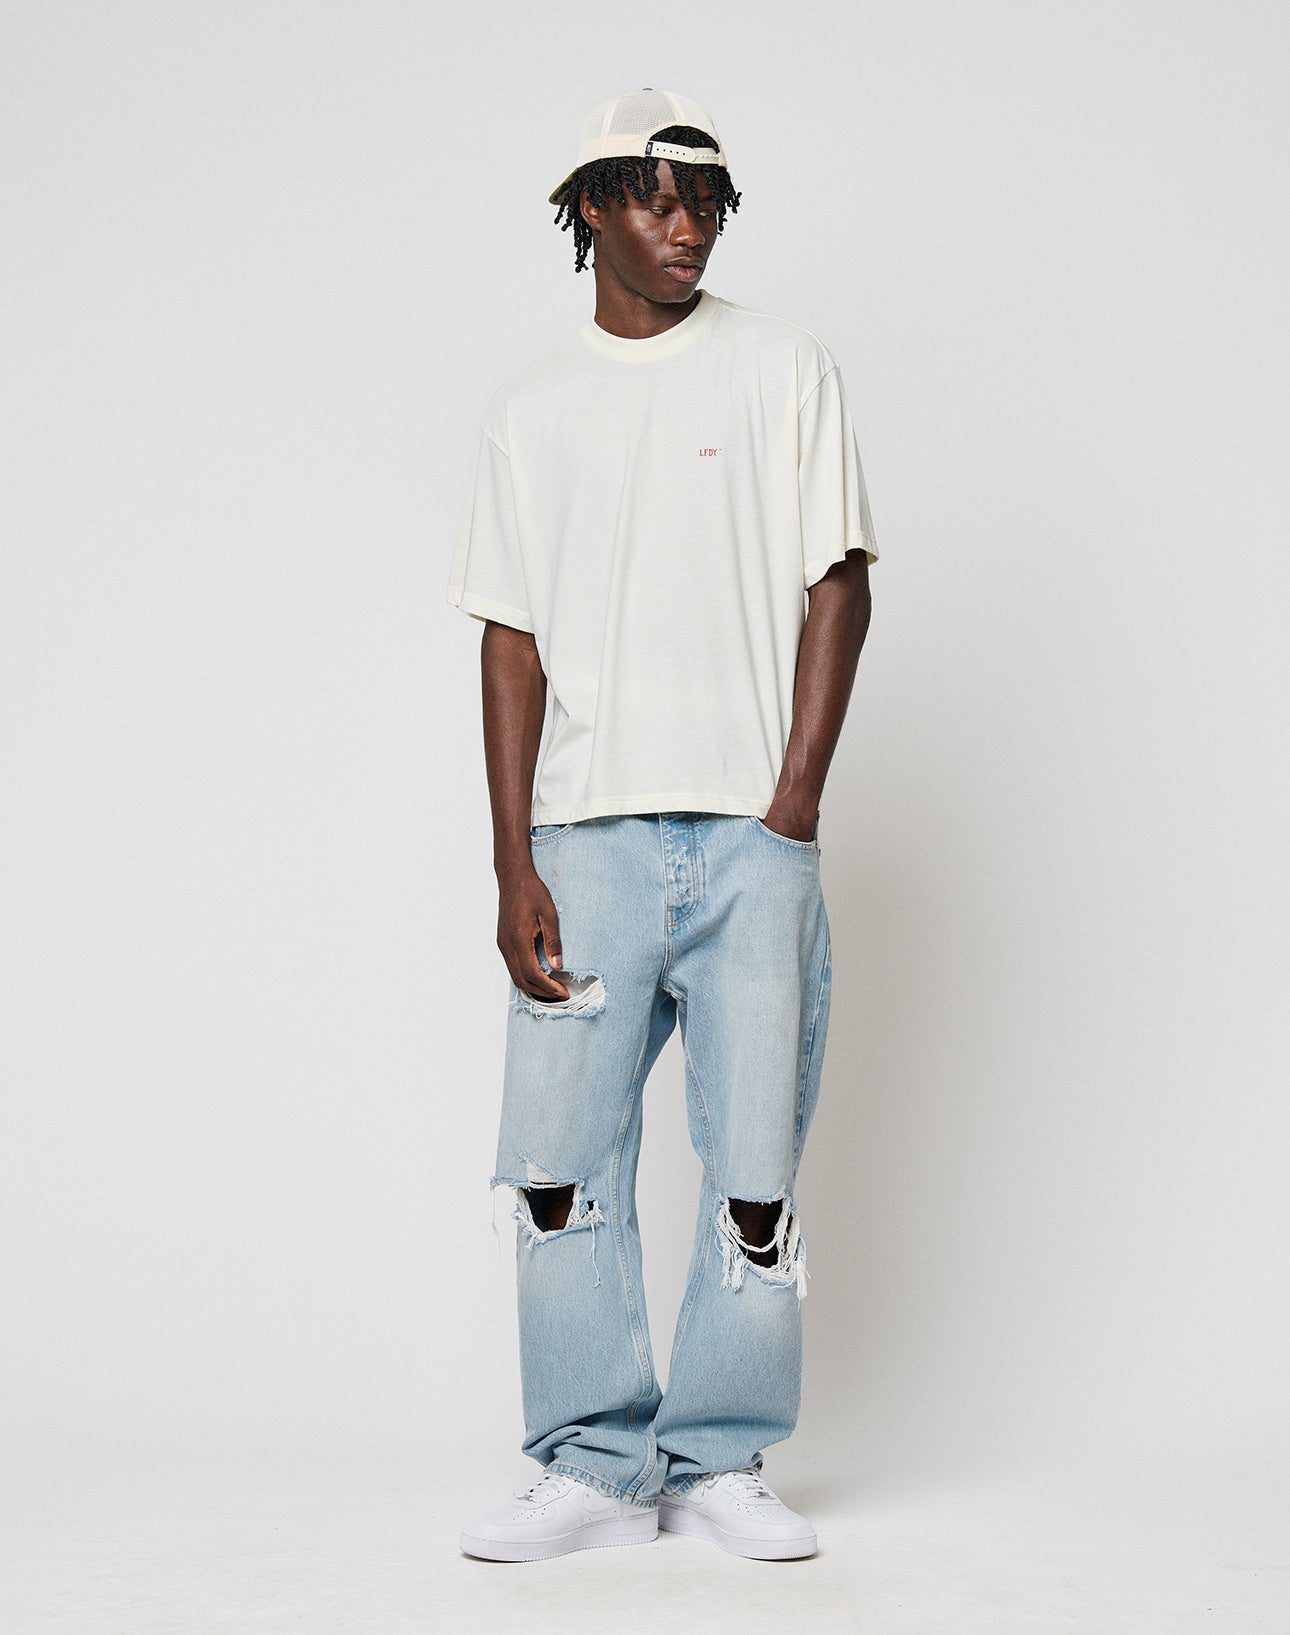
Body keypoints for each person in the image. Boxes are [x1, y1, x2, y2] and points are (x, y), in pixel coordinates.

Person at [446, 87, 878, 1563]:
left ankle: (719, 1457)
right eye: (648, 196)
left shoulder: (783, 369)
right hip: (583, 842)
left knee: (751, 1173)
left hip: (751, 842)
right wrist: (514, 858)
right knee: (561, 1165)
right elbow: (509, 640)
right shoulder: (530, 408)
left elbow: (840, 580)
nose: (681, 222)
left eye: (703, 199)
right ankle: (590, 1460)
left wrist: (794, 802)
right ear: (586, 212)